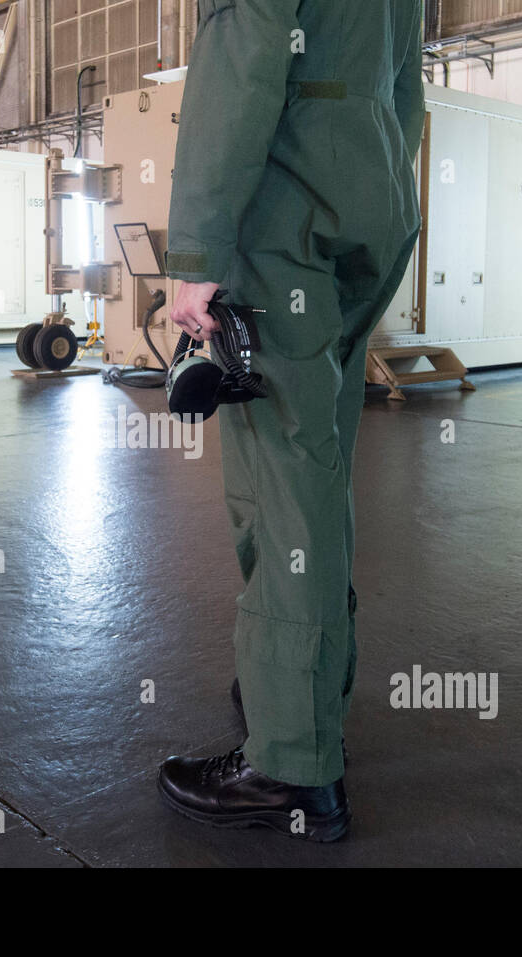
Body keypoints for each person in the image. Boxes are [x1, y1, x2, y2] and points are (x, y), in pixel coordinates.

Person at [157, 0, 426, 842]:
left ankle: (291, 763)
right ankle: (300, 692)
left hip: (289, 208)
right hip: (372, 194)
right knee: (318, 465)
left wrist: (195, 252)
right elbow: (408, 90)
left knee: (283, 485)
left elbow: (240, 65)